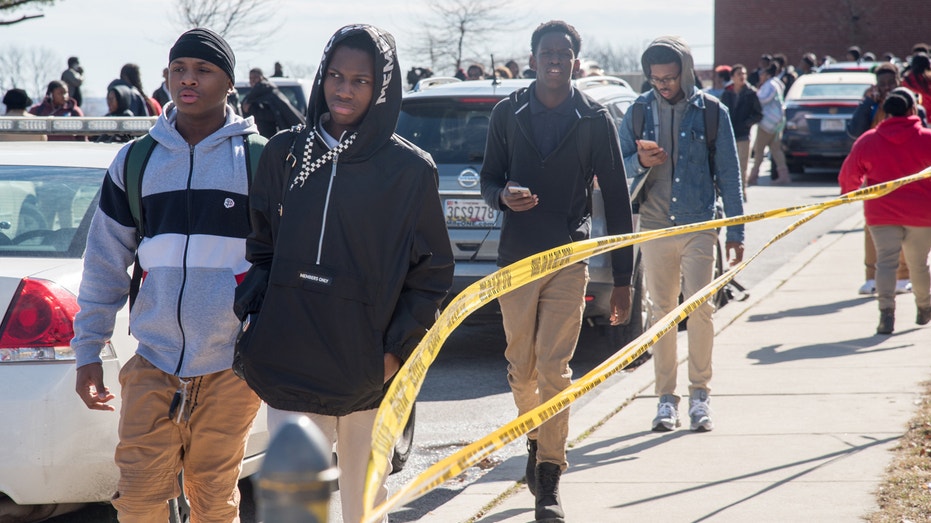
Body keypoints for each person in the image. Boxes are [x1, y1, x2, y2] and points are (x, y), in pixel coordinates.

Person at [234, 24, 454, 523]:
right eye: (335, 75)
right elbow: (262, 247)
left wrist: (394, 352)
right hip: (292, 362)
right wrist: (257, 321)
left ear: (382, 87)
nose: (344, 89)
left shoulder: (409, 171)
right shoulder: (284, 154)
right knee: (295, 509)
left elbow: (434, 272)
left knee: (363, 509)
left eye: (360, 80)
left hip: (367, 374)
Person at [71, 27, 264, 521]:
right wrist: (87, 351)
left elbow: (284, 264)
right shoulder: (137, 161)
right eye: (178, 69)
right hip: (153, 362)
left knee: (213, 501)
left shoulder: (260, 161)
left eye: (203, 70)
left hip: (231, 367)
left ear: (228, 82)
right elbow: (105, 262)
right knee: (137, 500)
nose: (188, 80)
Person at [480, 20, 634, 522]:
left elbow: (616, 197)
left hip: (569, 255)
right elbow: (488, 179)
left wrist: (624, 281)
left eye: (563, 52)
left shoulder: (594, 118)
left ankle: (549, 476)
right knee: (521, 368)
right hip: (516, 258)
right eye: (546, 51)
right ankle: (535, 436)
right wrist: (502, 196)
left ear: (575, 60)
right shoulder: (508, 112)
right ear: (532, 58)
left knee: (554, 370)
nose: (554, 59)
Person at [619, 36, 744, 434]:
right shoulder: (637, 112)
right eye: (656, 79)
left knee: (701, 309)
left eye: (670, 77)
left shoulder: (712, 112)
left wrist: (736, 230)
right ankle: (665, 399)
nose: (663, 85)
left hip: (699, 224)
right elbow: (615, 171)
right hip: (654, 225)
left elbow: (729, 174)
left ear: (686, 72)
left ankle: (700, 394)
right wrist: (639, 161)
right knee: (661, 313)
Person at [838, 87, 931, 334]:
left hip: (881, 214)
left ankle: (886, 314)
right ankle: (924, 307)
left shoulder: (868, 140)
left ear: (886, 112)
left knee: (885, 264)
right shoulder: (926, 139)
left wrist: (847, 194)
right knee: (918, 265)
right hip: (921, 215)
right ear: (913, 110)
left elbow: (850, 175)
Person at [847, 62, 914, 296]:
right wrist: (867, 103)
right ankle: (870, 277)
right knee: (871, 227)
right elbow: (856, 131)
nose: (887, 88)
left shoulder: (909, 103)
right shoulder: (873, 104)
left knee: (906, 226)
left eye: (890, 83)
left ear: (898, 81)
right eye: (882, 84)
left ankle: (903, 277)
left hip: (906, 176)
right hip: (876, 179)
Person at [720, 64, 762, 200]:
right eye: (739, 74)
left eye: (744, 74)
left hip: (744, 135)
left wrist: (747, 124)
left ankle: (741, 192)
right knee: (728, 165)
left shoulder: (751, 93)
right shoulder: (727, 93)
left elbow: (758, 114)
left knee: (742, 166)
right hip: (728, 135)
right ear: (732, 77)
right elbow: (721, 113)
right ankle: (729, 193)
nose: (742, 76)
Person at [748, 63, 790, 186]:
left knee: (759, 151)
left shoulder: (770, 85)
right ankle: (784, 175)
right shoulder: (777, 83)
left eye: (762, 74)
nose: (760, 77)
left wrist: (754, 94)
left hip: (767, 123)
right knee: (776, 150)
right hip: (777, 122)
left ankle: (753, 176)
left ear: (766, 75)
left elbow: (763, 99)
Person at [239, 67, 304, 138]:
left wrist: (252, 110)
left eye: (255, 77)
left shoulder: (268, 92)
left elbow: (274, 115)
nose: (252, 80)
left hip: (270, 134)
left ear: (261, 78)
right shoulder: (252, 95)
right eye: (250, 78)